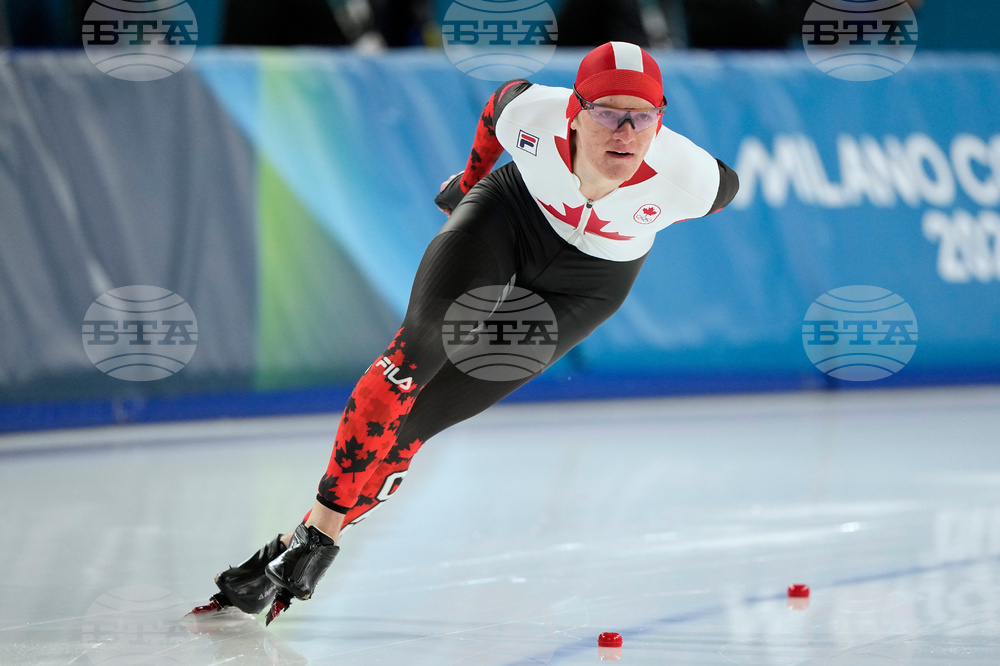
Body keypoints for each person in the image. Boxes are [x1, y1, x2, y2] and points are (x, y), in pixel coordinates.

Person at [191, 41, 739, 624]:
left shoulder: (694, 179)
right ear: (574, 111)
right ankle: (320, 536)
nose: (625, 132)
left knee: (420, 422)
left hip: (589, 282)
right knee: (420, 350)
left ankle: (293, 545)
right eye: (607, 112)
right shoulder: (532, 112)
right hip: (511, 217)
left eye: (641, 117)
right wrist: (469, 180)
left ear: (660, 123)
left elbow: (723, 188)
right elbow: (497, 105)